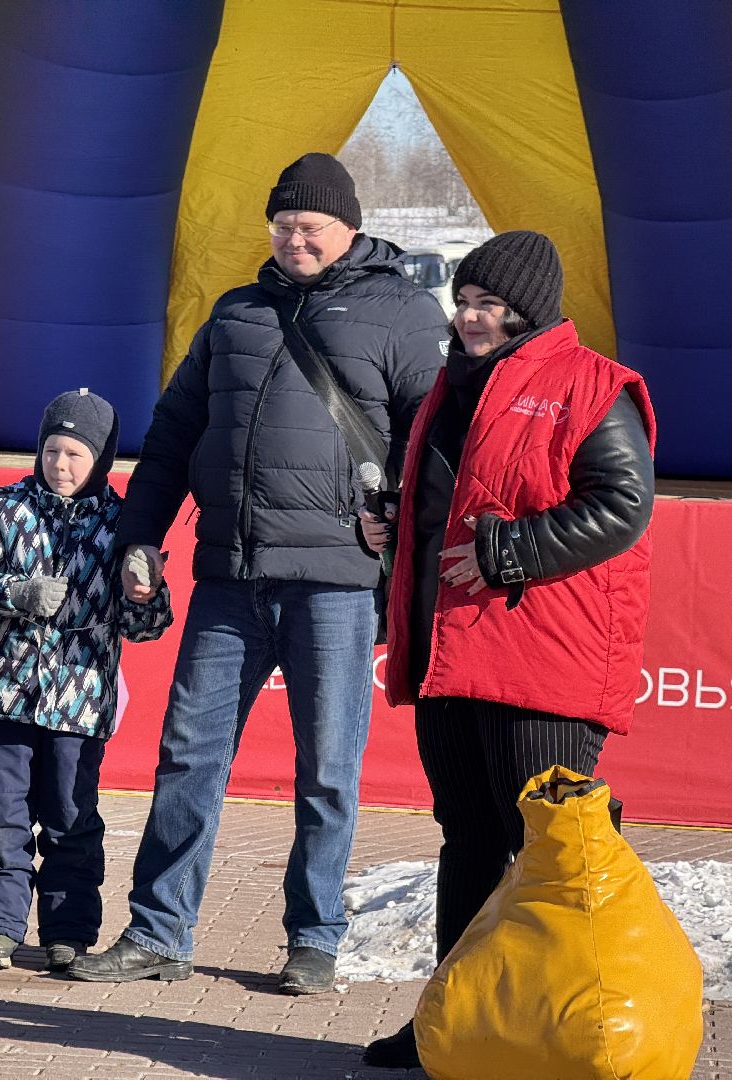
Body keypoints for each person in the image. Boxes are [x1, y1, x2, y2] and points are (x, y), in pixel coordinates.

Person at [69, 153, 448, 992]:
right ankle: (159, 933)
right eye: (283, 225)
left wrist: (405, 544)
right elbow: (171, 436)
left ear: (349, 227)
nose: (295, 239)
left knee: (327, 771)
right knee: (186, 760)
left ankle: (314, 938)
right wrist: (140, 537)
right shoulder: (235, 312)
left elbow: (436, 447)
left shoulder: (407, 314)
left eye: (310, 226)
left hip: (337, 583)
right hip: (230, 578)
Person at [357, 231, 655, 1068]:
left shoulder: (590, 383)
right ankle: (450, 1028)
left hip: (543, 663)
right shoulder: (447, 389)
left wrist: (508, 551)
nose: (470, 317)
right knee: (470, 840)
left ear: (527, 312)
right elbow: (440, 508)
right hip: (453, 654)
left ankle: (568, 1036)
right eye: (466, 301)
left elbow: (625, 503)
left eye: (488, 304)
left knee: (555, 849)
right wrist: (382, 528)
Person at [0, 390, 173, 972]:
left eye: (75, 453)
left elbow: (145, 629)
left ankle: (67, 932)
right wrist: (13, 593)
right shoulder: (8, 509)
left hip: (80, 701)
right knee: (2, 812)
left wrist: (144, 592)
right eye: (51, 450)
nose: (61, 465)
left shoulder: (120, 523)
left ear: (101, 459)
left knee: (72, 817)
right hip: (4, 694)